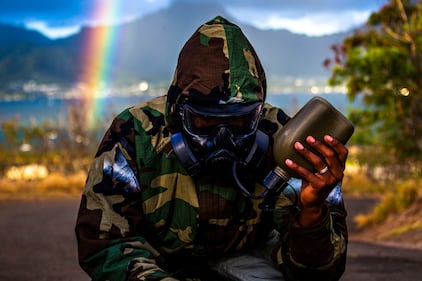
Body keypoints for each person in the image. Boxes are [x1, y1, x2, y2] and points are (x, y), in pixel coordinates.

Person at [75, 16, 348, 281]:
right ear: (177, 112)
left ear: (258, 113)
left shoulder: (287, 143)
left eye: (240, 121)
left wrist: (313, 214)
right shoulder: (135, 134)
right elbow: (103, 245)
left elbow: (322, 274)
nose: (223, 137)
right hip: (156, 266)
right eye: (205, 120)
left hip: (248, 263)